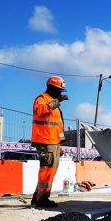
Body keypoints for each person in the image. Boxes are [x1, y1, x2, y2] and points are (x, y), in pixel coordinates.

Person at [31, 76, 68, 208]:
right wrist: (57, 101)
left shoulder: (53, 103)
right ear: (51, 88)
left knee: (50, 170)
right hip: (45, 141)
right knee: (47, 169)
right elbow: (39, 112)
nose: (60, 93)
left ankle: (38, 197)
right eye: (59, 90)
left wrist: (59, 144)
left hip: (53, 142)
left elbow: (57, 125)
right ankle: (42, 199)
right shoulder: (41, 99)